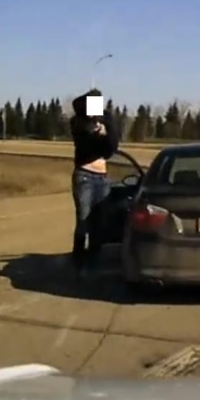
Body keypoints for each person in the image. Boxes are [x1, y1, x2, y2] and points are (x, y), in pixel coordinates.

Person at [69, 89, 119, 277]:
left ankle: (93, 262)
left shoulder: (106, 119)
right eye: (92, 103)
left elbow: (111, 149)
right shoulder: (78, 122)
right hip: (84, 176)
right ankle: (78, 263)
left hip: (102, 178)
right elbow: (87, 146)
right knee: (83, 221)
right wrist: (95, 131)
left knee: (99, 224)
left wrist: (105, 133)